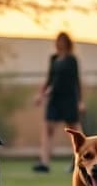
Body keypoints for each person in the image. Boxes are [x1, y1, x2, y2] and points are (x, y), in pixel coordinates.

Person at [33, 32, 84, 172]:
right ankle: (44, 163)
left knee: (74, 131)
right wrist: (40, 95)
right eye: (57, 41)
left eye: (61, 41)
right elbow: (49, 79)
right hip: (54, 98)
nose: (58, 43)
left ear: (67, 42)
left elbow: (76, 81)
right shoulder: (53, 58)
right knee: (47, 129)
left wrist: (80, 101)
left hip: (69, 99)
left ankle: (79, 161)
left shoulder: (72, 60)